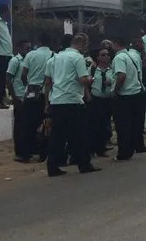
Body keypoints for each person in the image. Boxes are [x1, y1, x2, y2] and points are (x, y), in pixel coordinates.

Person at [46, 33, 100, 177]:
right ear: (82, 44)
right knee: (80, 135)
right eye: (85, 45)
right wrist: (92, 79)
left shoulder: (55, 58)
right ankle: (84, 164)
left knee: (57, 137)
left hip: (57, 100)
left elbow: (48, 81)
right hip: (72, 101)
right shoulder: (77, 58)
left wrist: (47, 102)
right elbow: (83, 79)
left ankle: (52, 166)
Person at [111, 37, 146, 161]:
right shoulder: (130, 56)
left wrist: (115, 91)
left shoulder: (119, 58)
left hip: (124, 95)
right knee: (135, 124)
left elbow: (121, 75)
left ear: (115, 44)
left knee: (123, 126)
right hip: (136, 93)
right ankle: (132, 148)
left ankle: (123, 153)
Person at [18, 33, 54, 163]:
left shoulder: (30, 55)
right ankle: (43, 154)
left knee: (27, 124)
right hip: (47, 94)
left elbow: (24, 75)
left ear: (38, 41)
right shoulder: (53, 56)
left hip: (31, 92)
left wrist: (27, 85)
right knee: (46, 124)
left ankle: (25, 154)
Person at [87, 48, 115, 155]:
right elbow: (86, 83)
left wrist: (111, 83)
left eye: (107, 55)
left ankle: (102, 145)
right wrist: (88, 95)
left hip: (108, 99)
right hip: (96, 99)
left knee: (106, 123)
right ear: (98, 57)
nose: (106, 57)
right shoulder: (93, 69)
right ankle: (95, 147)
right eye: (103, 55)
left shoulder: (112, 69)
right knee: (96, 124)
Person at [6, 40, 31, 156]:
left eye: (30, 48)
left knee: (25, 125)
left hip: (26, 96)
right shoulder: (15, 61)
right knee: (19, 126)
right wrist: (14, 97)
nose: (29, 51)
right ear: (20, 48)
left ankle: (26, 150)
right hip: (19, 96)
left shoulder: (28, 60)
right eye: (27, 48)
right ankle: (19, 152)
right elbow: (8, 79)